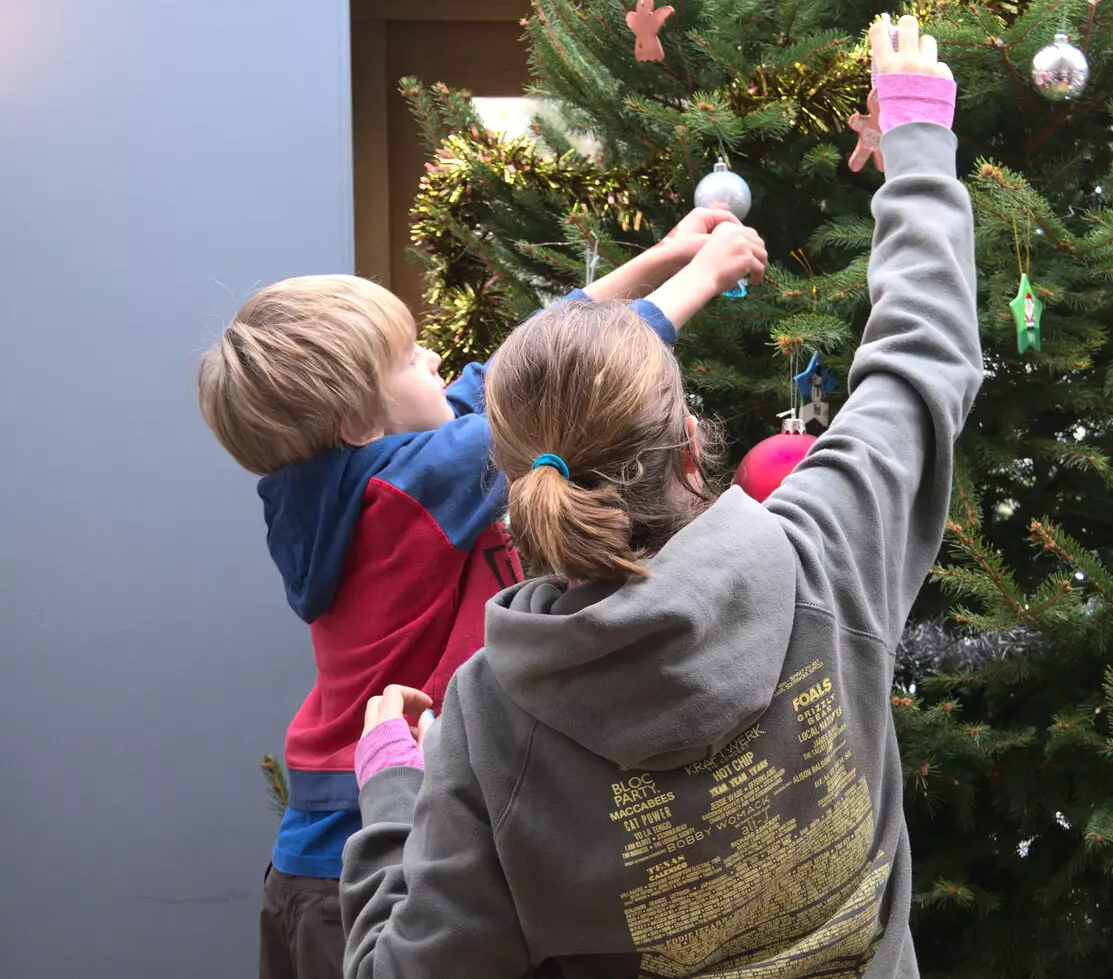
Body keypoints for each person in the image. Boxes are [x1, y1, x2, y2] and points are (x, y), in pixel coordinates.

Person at [343, 14, 975, 979]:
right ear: (692, 444)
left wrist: (394, 797)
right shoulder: (826, 558)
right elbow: (921, 359)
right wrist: (918, 141)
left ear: (512, 491)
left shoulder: (488, 720)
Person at [197, 211, 764, 979]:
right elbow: (568, 385)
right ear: (361, 424)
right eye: (408, 359)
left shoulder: (363, 481)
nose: (436, 358)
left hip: (324, 858)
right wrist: (701, 276)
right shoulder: (407, 494)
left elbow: (509, 369)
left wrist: (655, 255)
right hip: (364, 862)